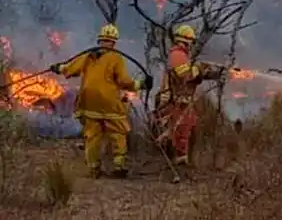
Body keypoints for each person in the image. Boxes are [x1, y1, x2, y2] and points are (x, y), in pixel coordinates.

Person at [50, 23, 153, 179]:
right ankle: (118, 166)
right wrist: (141, 84)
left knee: (92, 134)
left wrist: (59, 68)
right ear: (114, 42)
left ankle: (94, 168)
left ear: (100, 40)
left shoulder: (88, 56)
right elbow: (124, 81)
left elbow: (71, 68)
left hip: (88, 101)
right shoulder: (116, 58)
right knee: (118, 131)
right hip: (108, 101)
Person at [154, 24, 224, 166]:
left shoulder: (182, 55)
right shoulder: (177, 54)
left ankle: (182, 158)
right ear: (186, 41)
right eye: (191, 42)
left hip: (183, 100)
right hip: (176, 100)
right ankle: (177, 158)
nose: (191, 45)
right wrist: (199, 68)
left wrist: (212, 74)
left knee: (187, 127)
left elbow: (192, 76)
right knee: (181, 129)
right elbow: (184, 74)